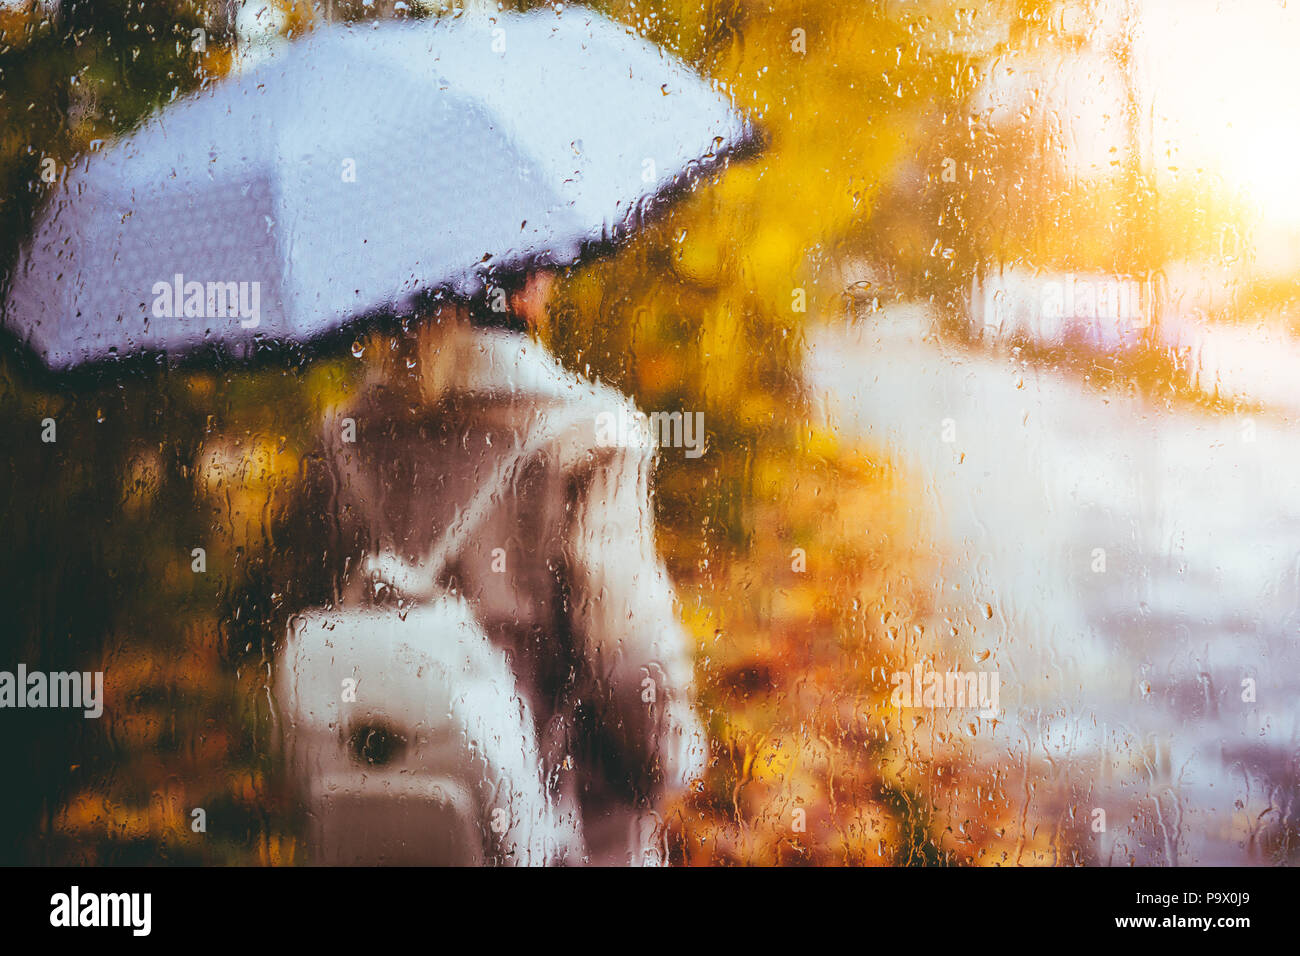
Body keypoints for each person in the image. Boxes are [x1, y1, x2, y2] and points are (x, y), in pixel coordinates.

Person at [275, 270, 706, 865]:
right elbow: (631, 676)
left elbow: (303, 648)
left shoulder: (340, 440)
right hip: (557, 838)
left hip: (370, 833)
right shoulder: (589, 434)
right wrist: (667, 765)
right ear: (528, 284)